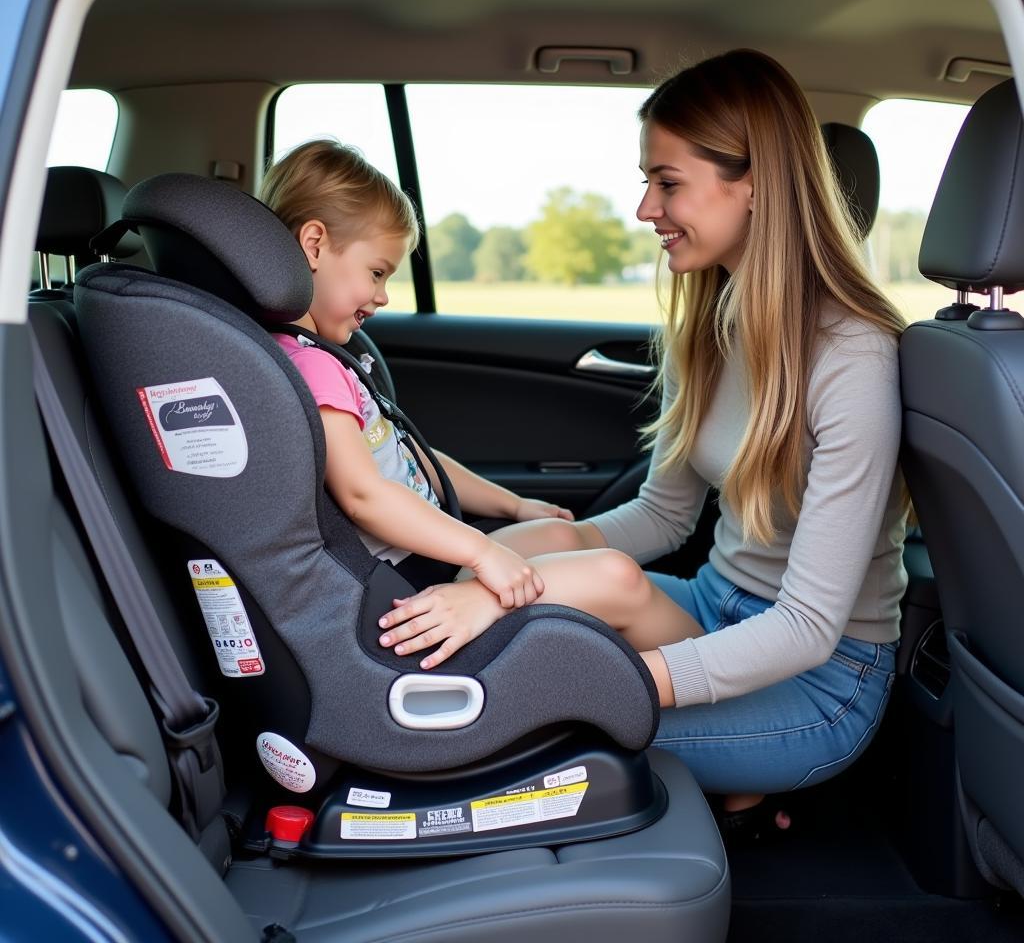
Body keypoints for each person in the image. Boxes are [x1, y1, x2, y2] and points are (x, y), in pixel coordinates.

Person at [376, 50, 908, 822]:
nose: (644, 210)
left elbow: (805, 630)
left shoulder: (855, 359)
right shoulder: (716, 322)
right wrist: (522, 553)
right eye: (647, 183)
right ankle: (725, 775)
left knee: (536, 708)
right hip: (714, 605)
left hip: (819, 679)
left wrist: (609, 681)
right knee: (534, 604)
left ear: (754, 184)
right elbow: (663, 517)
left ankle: (743, 762)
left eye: (667, 183)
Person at [259, 140, 701, 666]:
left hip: (427, 560)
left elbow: (414, 458)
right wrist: (481, 550)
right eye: (377, 272)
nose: (383, 296)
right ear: (313, 244)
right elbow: (365, 496)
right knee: (616, 576)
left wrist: (512, 506)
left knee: (562, 532)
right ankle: (732, 696)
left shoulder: (330, 358)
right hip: (407, 589)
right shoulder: (312, 367)